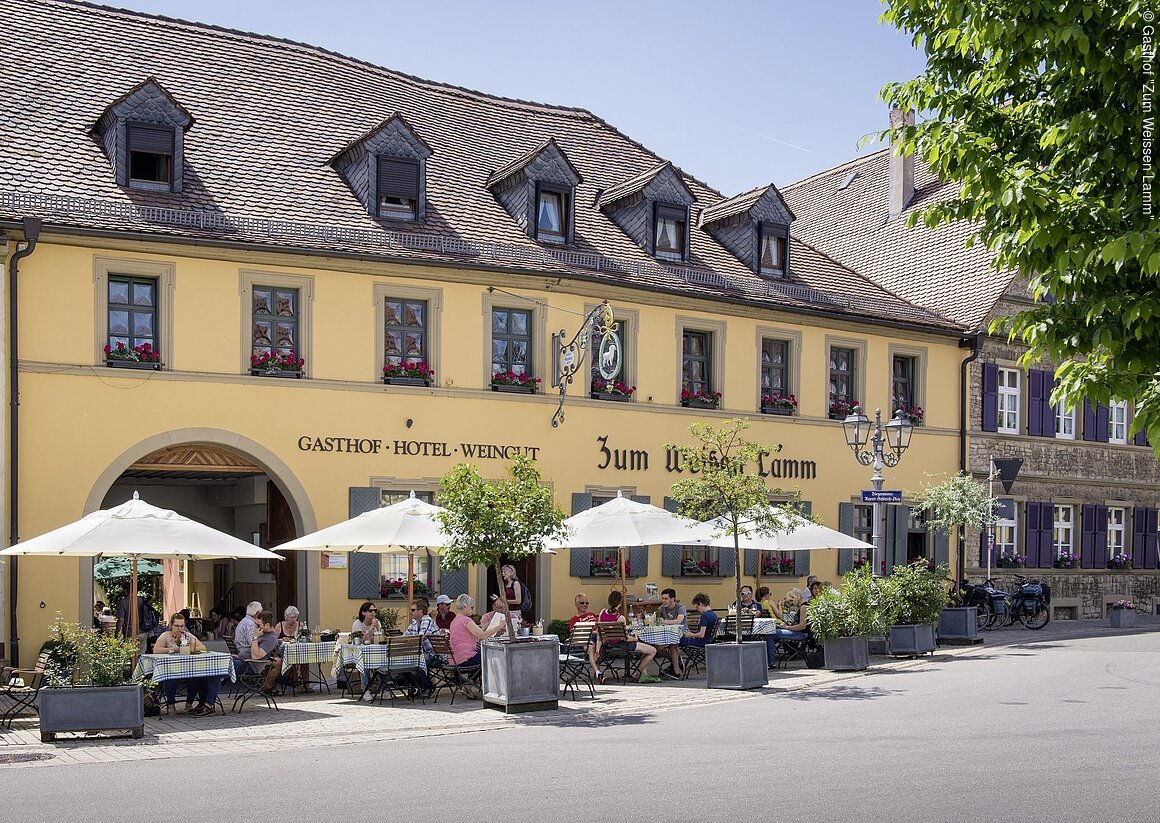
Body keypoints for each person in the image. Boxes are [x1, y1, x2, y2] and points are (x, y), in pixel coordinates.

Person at [152, 613, 219, 717]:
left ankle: (189, 703)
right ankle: (171, 705)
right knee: (169, 676)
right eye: (177, 626)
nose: (180, 628)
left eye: (182, 626)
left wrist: (189, 649)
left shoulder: (187, 636)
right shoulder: (166, 635)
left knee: (196, 676)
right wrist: (175, 649)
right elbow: (156, 650)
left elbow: (203, 647)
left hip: (187, 668)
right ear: (171, 625)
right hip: (171, 668)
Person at [599, 591, 657, 682]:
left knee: (645, 649)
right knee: (653, 651)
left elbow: (601, 633)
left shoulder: (602, 613)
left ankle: (640, 673)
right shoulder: (620, 618)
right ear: (620, 602)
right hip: (622, 645)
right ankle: (637, 673)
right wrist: (635, 638)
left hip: (608, 645)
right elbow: (624, 637)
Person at [448, 593, 505, 675]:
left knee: (482, 656)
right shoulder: (466, 620)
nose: (473, 610)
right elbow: (483, 635)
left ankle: (470, 682)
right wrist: (500, 625)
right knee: (493, 657)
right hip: (465, 658)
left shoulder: (454, 621)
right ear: (464, 606)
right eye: (471, 607)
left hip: (454, 660)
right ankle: (489, 684)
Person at [245, 610, 283, 695]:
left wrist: (255, 637)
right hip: (246, 660)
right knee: (278, 662)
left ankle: (267, 685)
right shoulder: (262, 634)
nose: (256, 628)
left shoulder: (269, 637)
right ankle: (268, 686)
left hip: (249, 665)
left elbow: (256, 656)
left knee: (278, 662)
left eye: (258, 625)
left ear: (267, 625)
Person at [275, 606, 312, 693]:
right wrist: (282, 639)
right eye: (291, 617)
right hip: (283, 652)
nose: (293, 619)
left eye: (295, 617)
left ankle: (306, 684)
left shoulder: (301, 625)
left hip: (300, 651)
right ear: (286, 617)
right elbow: (274, 640)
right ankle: (297, 684)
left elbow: (306, 637)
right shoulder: (279, 626)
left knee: (305, 660)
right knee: (293, 659)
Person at [656, 587, 687, 679]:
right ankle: (676, 661)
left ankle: (676, 672)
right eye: (663, 598)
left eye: (666, 599)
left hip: (682, 634)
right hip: (666, 634)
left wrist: (665, 621)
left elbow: (679, 620)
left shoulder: (680, 607)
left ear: (673, 599)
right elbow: (657, 621)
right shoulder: (661, 609)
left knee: (673, 644)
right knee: (655, 647)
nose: (664, 601)